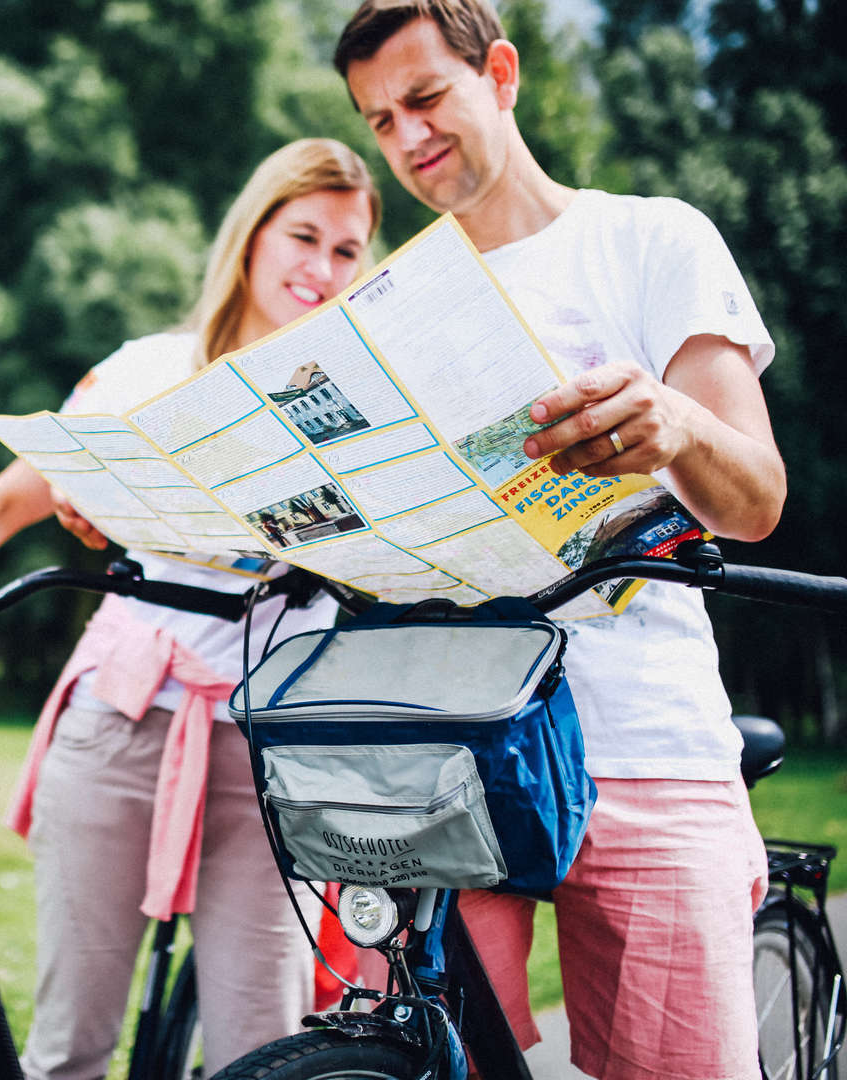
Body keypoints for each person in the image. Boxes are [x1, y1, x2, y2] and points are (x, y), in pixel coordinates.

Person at [0, 138, 381, 1080]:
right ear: (251, 236)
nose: (322, 269)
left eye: (347, 250)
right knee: (72, 1046)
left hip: (272, 743)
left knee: (266, 1051)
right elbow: (10, 499)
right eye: (304, 236)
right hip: (126, 713)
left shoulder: (362, 400)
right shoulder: (146, 371)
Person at [331, 3, 786, 1079]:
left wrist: (676, 425)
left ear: (500, 72)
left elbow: (758, 498)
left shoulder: (646, 237)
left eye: (425, 98)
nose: (405, 139)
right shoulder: (384, 306)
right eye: (379, 121)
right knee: (413, 1051)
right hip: (450, 752)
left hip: (642, 746)